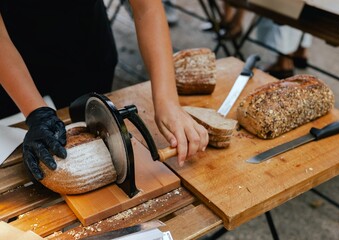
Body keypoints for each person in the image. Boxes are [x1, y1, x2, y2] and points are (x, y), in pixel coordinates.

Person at [0, 0, 208, 181]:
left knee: (92, 155)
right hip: (10, 61)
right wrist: (36, 112)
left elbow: (147, 8)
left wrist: (167, 101)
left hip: (85, 48)